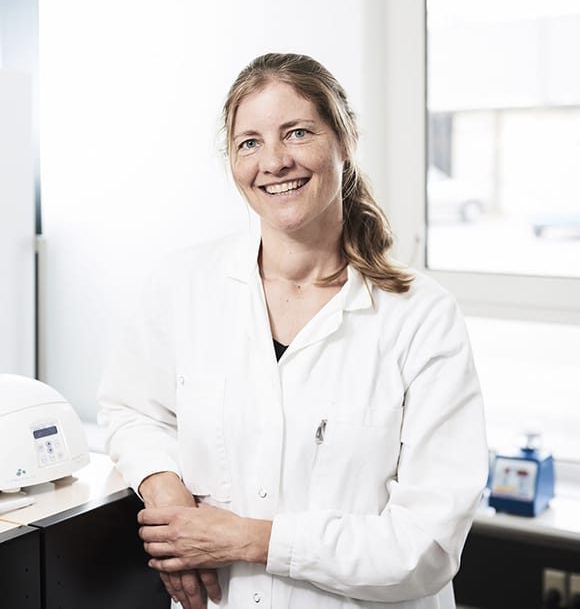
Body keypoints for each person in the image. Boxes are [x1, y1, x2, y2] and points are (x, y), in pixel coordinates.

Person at [97, 52, 488, 609]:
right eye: (249, 142)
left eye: (297, 133)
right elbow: (131, 409)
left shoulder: (421, 317)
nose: (274, 161)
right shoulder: (184, 284)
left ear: (344, 139)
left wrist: (249, 539)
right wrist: (167, 494)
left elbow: (424, 546)